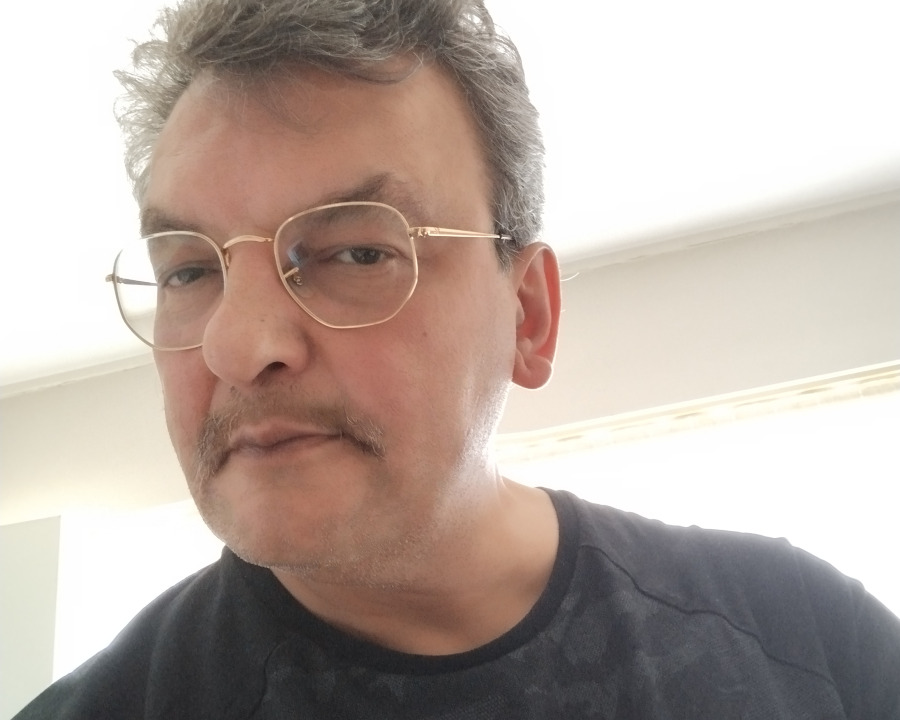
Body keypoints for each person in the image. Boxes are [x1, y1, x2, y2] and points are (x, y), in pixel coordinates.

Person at [15, 0, 900, 717]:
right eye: (189, 270)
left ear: (527, 316)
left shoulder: (806, 642)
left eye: (357, 252)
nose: (237, 347)